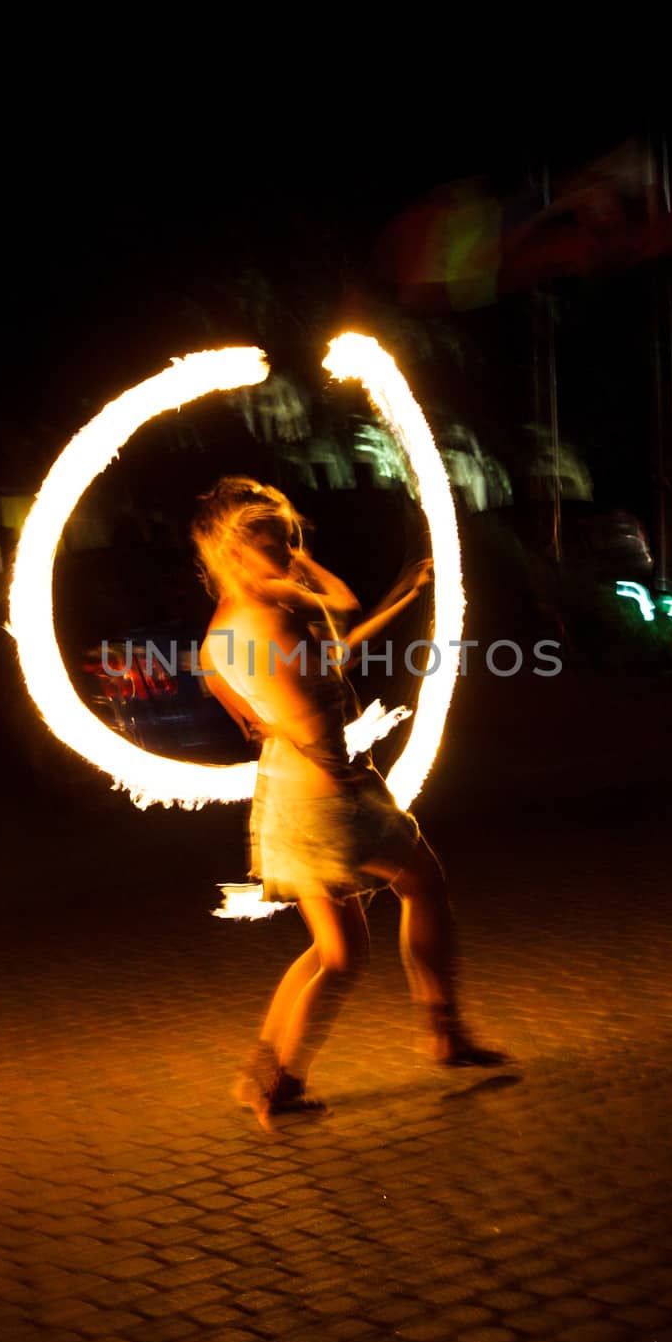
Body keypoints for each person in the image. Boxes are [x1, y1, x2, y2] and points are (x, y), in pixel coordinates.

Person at [192, 476, 503, 1127]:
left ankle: (269, 1077)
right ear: (237, 549)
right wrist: (351, 786)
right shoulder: (277, 614)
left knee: (337, 951)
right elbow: (334, 626)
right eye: (275, 541)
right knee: (417, 888)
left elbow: (306, 675)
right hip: (328, 794)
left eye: (291, 538)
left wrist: (400, 597)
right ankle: (440, 1034)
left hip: (285, 797)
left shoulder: (224, 628)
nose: (289, 549)